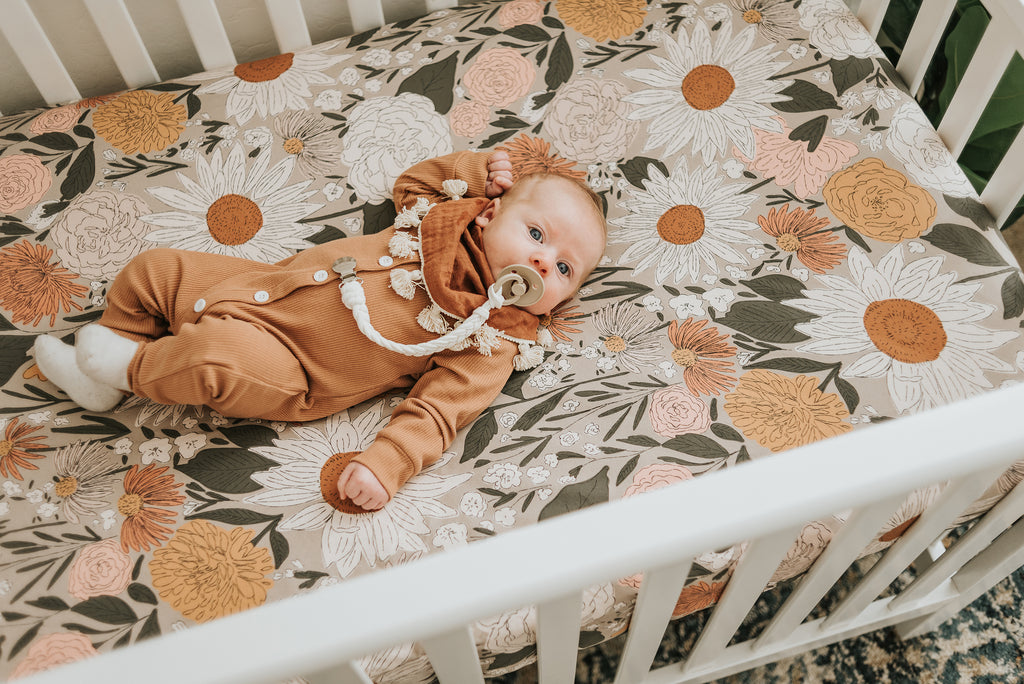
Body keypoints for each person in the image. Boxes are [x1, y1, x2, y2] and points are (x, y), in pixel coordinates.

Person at [32, 150, 607, 510]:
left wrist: (385, 466)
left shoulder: (490, 338)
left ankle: (125, 368)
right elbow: (412, 182)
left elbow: (438, 413)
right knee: (153, 269)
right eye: (537, 234)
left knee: (214, 357)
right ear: (487, 214)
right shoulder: (437, 218)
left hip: (293, 363)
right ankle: (112, 357)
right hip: (259, 285)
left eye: (564, 268)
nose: (542, 263)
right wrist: (475, 170)